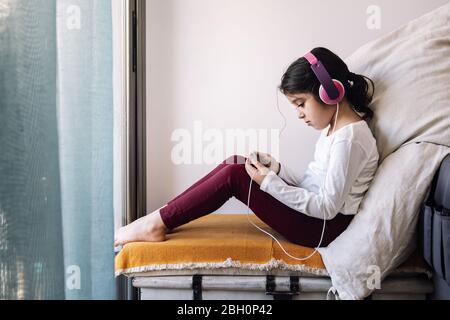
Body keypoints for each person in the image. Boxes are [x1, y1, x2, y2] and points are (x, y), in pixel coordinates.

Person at [114, 47, 379, 248]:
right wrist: (275, 169)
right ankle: (159, 219)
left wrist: (269, 183)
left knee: (236, 175)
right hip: (316, 220)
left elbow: (326, 207)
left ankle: (154, 224)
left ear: (330, 94)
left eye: (300, 103)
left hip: (320, 229)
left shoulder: (349, 138)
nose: (299, 114)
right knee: (236, 162)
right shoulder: (335, 129)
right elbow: (313, 184)